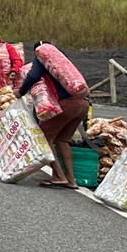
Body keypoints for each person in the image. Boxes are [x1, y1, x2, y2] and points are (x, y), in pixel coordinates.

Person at [17, 41, 89, 189]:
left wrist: (20, 91)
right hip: (82, 104)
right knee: (62, 140)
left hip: (66, 104)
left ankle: (58, 176)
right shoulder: (62, 60)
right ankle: (71, 179)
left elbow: (33, 76)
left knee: (42, 137)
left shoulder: (42, 58)